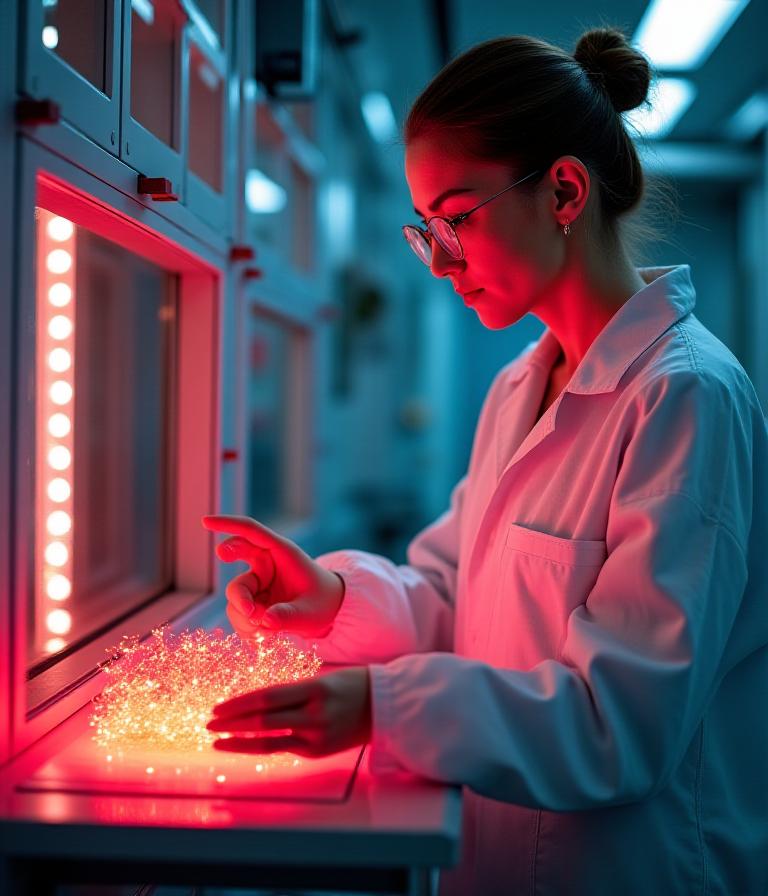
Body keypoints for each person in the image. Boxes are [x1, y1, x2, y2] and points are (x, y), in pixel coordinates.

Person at [202, 26, 768, 896]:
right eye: (427, 230)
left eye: (457, 219)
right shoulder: (519, 387)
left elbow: (622, 723)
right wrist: (332, 596)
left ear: (565, 191)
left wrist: (385, 707)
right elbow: (454, 598)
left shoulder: (685, 397)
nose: (440, 262)